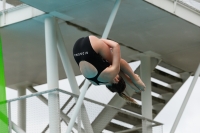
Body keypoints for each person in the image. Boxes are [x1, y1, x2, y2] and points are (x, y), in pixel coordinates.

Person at [73, 35, 146, 104]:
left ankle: (134, 78)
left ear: (116, 80)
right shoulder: (95, 83)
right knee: (112, 63)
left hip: (90, 44)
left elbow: (115, 46)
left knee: (115, 61)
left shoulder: (111, 74)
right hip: (76, 48)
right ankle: (132, 80)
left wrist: (101, 41)